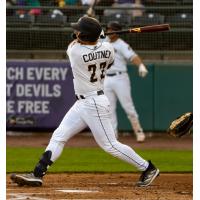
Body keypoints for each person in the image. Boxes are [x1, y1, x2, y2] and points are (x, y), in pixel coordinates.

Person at [10, 16, 159, 187]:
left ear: (84, 36)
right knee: (59, 135)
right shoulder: (109, 48)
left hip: (94, 103)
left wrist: (97, 35)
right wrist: (100, 36)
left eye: (78, 30)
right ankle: (37, 174)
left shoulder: (75, 51)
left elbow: (76, 40)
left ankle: (148, 168)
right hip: (84, 103)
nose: (75, 32)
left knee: (110, 145)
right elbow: (104, 54)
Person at [104, 21, 148, 142]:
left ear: (117, 32)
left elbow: (133, 56)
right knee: (109, 108)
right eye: (108, 28)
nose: (109, 31)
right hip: (106, 78)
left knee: (128, 107)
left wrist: (141, 65)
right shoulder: (104, 41)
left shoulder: (122, 44)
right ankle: (113, 136)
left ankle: (139, 131)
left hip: (120, 78)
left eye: (112, 29)